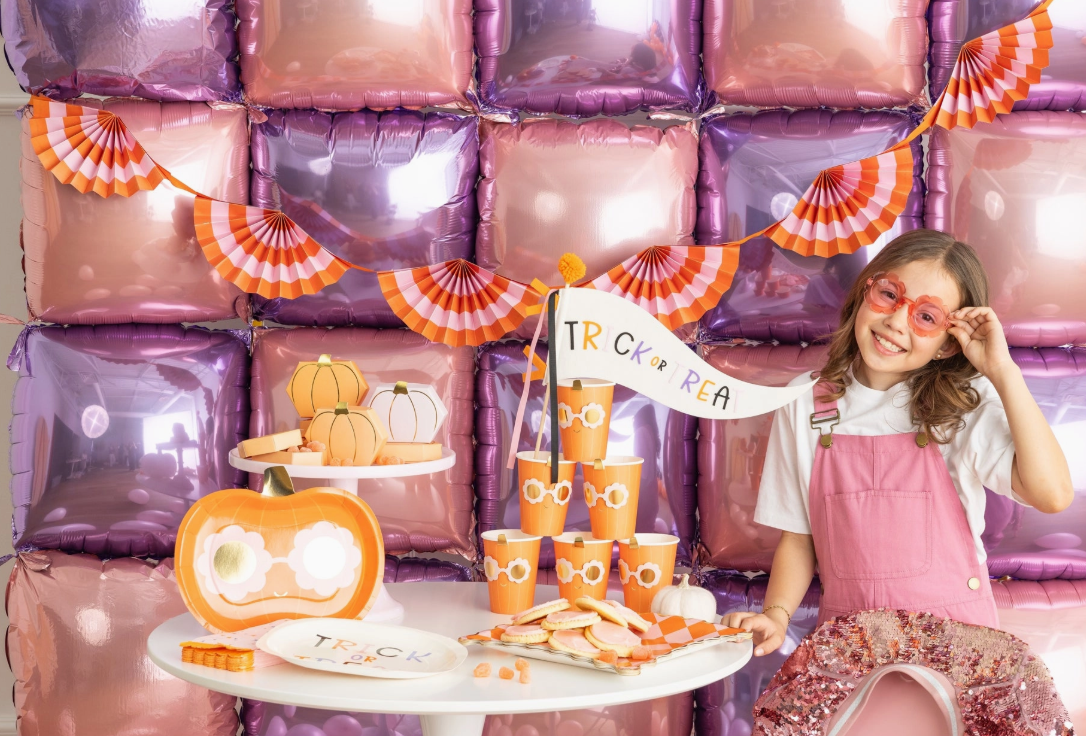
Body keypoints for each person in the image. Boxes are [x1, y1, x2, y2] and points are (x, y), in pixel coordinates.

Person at [726, 229, 1073, 657]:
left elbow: (1052, 494)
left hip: (957, 651)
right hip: (849, 652)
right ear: (865, 289)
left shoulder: (963, 403)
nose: (896, 321)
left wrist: (1003, 371)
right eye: (890, 295)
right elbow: (799, 538)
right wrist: (776, 615)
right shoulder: (804, 402)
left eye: (926, 316)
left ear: (948, 344)